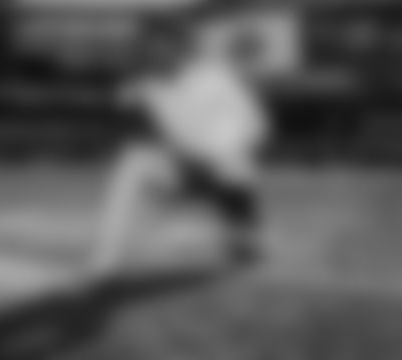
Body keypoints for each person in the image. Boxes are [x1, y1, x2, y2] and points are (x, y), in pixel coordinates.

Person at [88, 17, 269, 276]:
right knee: (134, 160)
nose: (155, 53)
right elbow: (122, 99)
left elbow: (254, 124)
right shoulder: (147, 83)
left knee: (236, 168)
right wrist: (132, 81)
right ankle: (103, 262)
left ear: (180, 48)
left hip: (224, 172)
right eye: (149, 48)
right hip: (182, 172)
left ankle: (241, 233)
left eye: (162, 46)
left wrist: (214, 152)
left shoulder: (214, 76)